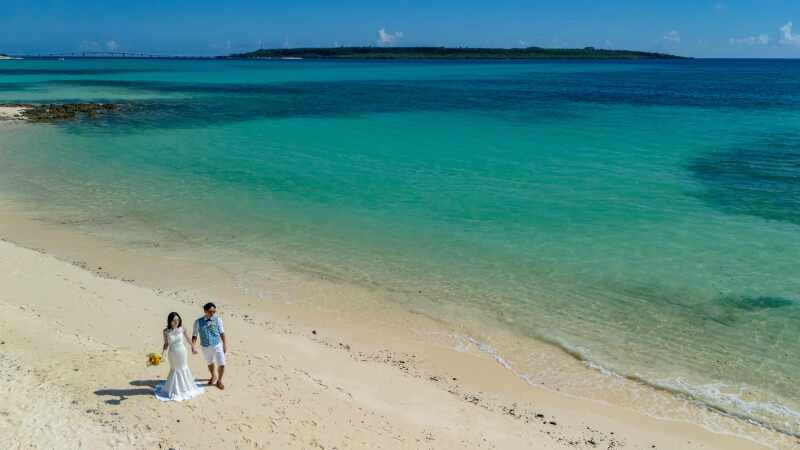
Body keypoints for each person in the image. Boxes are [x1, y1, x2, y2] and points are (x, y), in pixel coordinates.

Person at [154, 312, 204, 402]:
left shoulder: (182, 328)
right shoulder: (166, 331)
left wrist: (193, 347)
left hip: (182, 352)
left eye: (177, 320)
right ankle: (174, 388)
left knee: (183, 368)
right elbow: (166, 344)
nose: (176, 322)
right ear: (170, 321)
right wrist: (163, 353)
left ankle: (184, 388)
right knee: (175, 369)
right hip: (172, 353)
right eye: (174, 320)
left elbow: (188, 339)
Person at [192, 302, 228, 389]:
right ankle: (213, 376)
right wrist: (193, 346)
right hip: (205, 347)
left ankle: (219, 381)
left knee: (222, 363)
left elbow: (222, 332)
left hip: (217, 345)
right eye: (210, 311)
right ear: (205, 311)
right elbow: (195, 335)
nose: (212, 313)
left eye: (214, 312)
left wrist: (224, 344)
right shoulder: (198, 322)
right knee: (210, 363)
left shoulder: (218, 320)